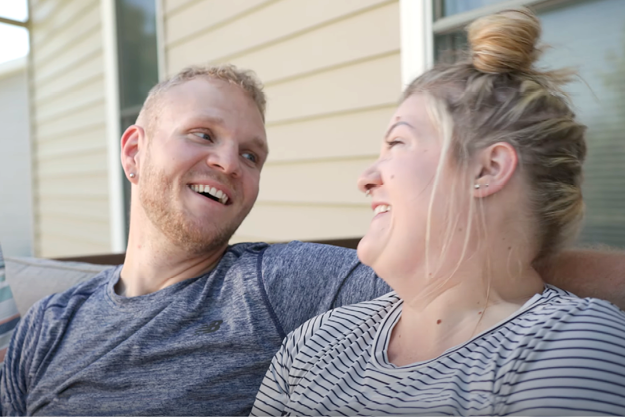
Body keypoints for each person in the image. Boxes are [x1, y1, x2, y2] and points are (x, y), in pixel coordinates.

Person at [0, 61, 622, 416]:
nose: (229, 163)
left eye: (251, 154)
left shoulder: (280, 285)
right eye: (202, 135)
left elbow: (466, 281)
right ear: (134, 151)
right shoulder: (50, 322)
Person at [251, 9, 625, 417]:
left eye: (397, 143)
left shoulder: (568, 345)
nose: (366, 178)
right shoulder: (316, 341)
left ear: (487, 170)